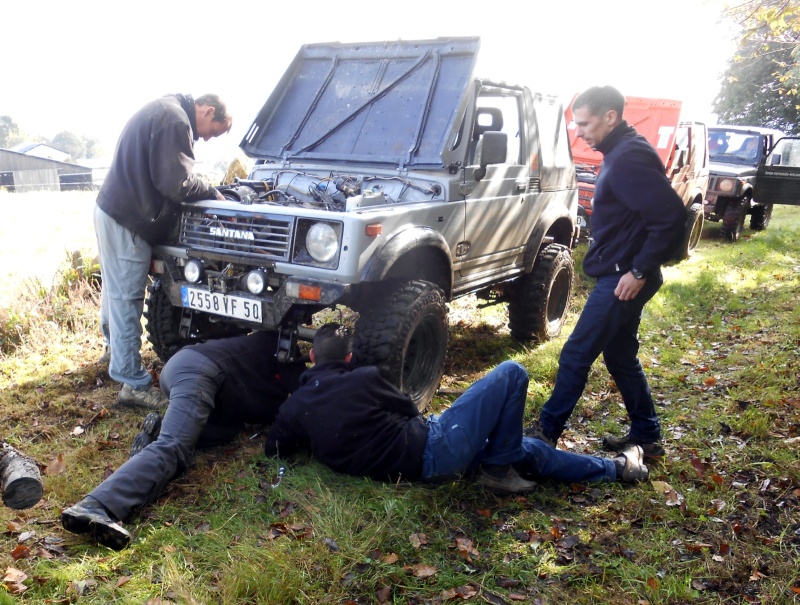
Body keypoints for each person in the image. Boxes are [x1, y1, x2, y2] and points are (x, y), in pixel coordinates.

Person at [264, 323, 648, 494]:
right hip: (433, 447)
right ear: (347, 357)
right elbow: (411, 412)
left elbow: (274, 447)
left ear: (312, 357)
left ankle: (615, 469)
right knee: (512, 372)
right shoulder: (362, 378)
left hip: (414, 468)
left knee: (525, 451)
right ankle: (498, 468)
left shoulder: (297, 406)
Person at [528, 86, 686, 459]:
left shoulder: (629, 156)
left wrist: (640, 269)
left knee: (576, 352)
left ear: (610, 117)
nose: (578, 131)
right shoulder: (620, 150)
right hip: (621, 271)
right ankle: (647, 435)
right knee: (619, 356)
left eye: (584, 123)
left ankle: (544, 435)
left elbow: (671, 218)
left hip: (624, 279)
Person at [61, 331, 306, 550]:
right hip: (200, 374)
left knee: (219, 435)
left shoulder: (260, 345)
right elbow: (309, 400)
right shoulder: (286, 355)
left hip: (184, 368)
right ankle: (96, 505)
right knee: (173, 446)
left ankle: (157, 434)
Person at [95, 93, 232, 409]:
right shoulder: (175, 120)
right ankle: (133, 385)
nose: (207, 138)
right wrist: (211, 192)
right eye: (214, 130)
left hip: (113, 210)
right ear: (207, 110)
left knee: (115, 290)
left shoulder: (164, 109)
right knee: (127, 298)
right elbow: (176, 183)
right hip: (130, 219)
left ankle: (114, 351)